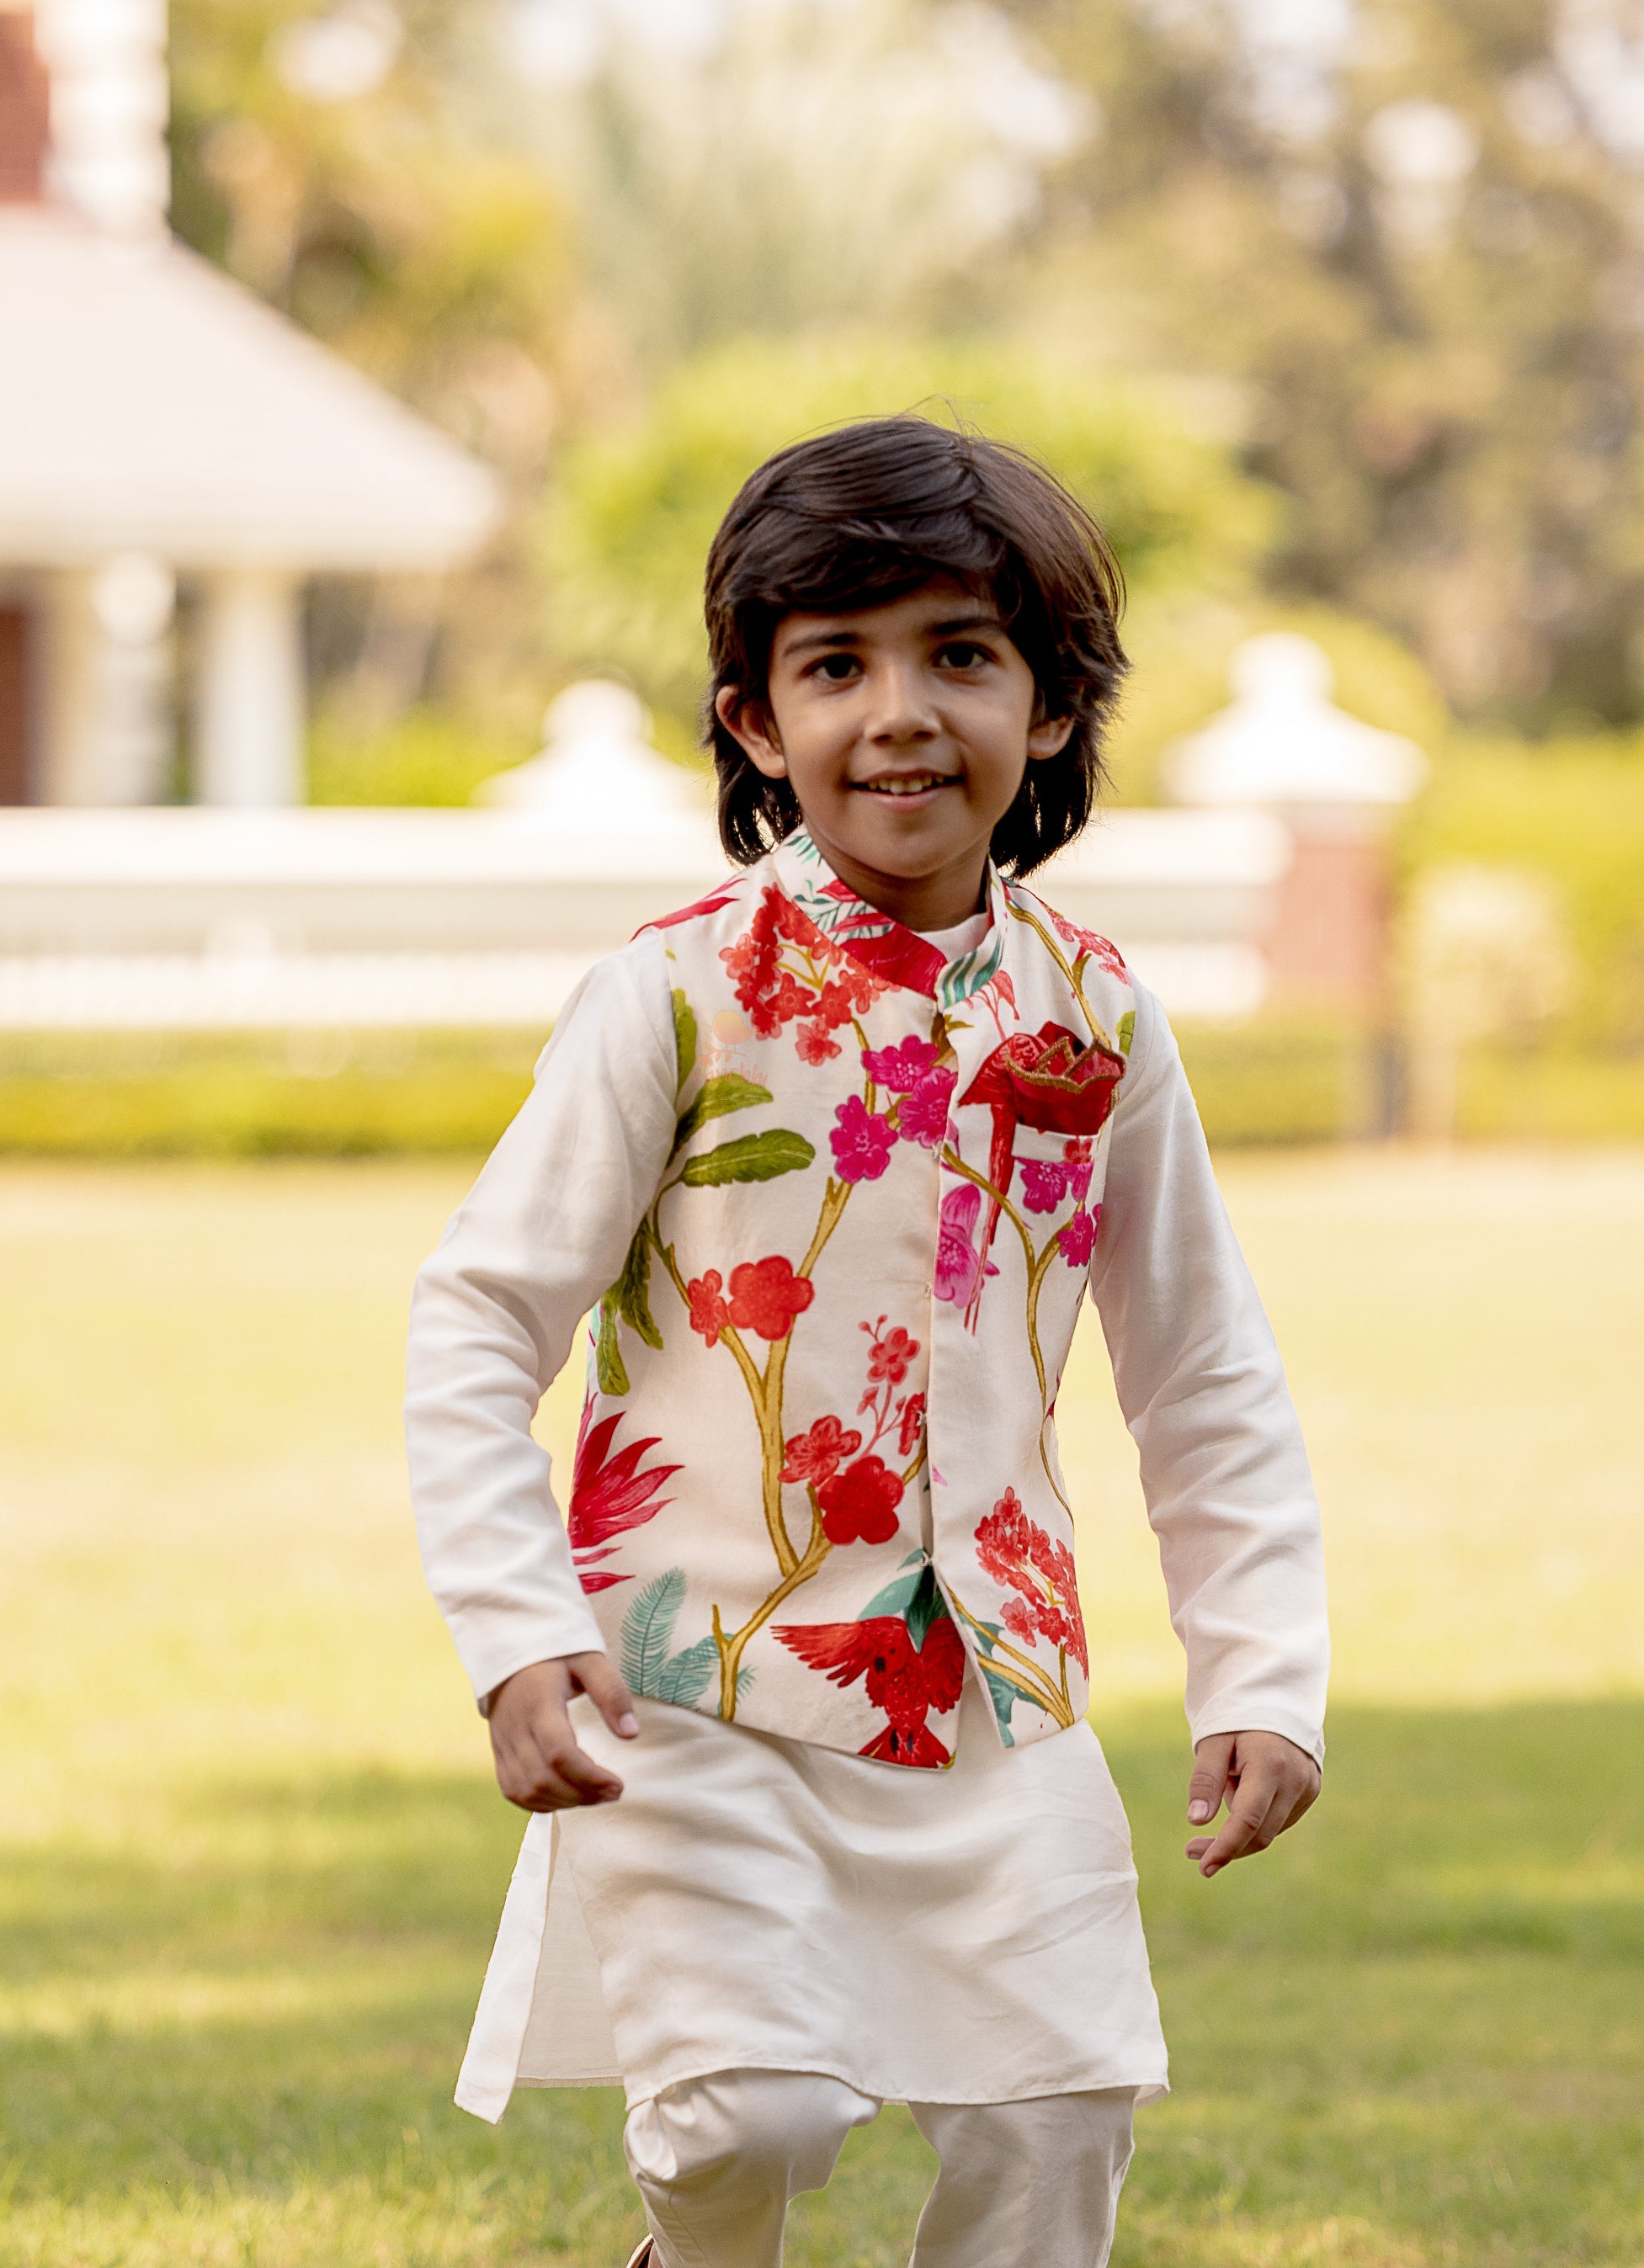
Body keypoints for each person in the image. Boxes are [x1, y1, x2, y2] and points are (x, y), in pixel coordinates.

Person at [405, 415, 1327, 2268]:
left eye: (958, 654)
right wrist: (514, 1628)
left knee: (1057, 2120)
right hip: (693, 1684)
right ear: (755, 722)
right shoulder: (671, 995)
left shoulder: (1100, 1019)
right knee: (746, 2115)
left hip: (996, 1692)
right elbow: (478, 1315)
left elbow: (1201, 1367)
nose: (899, 713)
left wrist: (1260, 1672)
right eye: (835, 665)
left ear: (1049, 708)